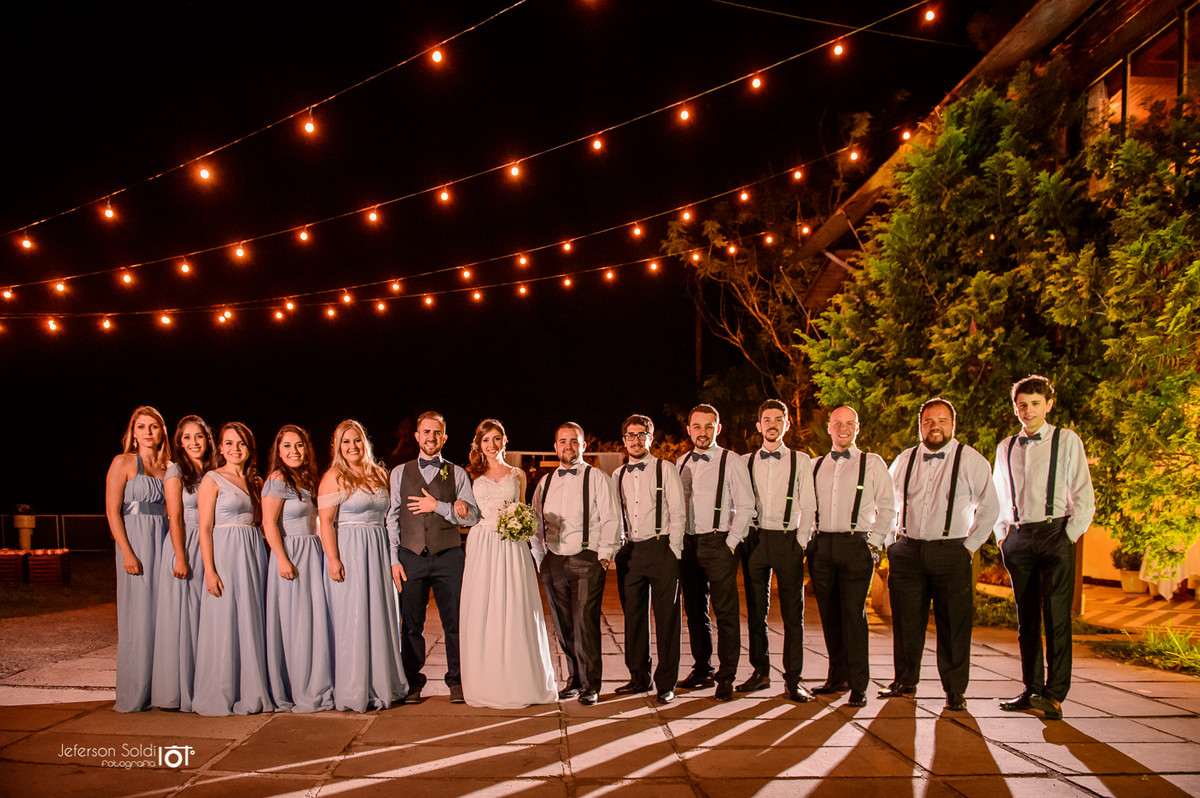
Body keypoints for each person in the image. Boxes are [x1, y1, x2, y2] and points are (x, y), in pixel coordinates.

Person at [882, 398, 999, 711]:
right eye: (929, 421)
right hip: (907, 551)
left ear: (953, 424)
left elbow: (990, 507)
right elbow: (885, 503)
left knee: (954, 623)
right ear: (920, 426)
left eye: (942, 421)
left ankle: (954, 690)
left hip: (952, 551)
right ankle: (904, 681)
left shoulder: (971, 460)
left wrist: (968, 547)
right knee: (906, 622)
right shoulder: (904, 459)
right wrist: (889, 541)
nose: (935, 427)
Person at [994, 375, 1095, 720]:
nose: (1028, 410)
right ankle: (1031, 688)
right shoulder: (1006, 446)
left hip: (1056, 534)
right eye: (1022, 404)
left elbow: (1083, 495)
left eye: (1035, 403)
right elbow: (998, 496)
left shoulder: (1066, 440)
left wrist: (1069, 536)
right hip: (1019, 536)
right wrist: (1002, 536)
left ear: (1048, 405)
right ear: (1015, 408)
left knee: (1056, 618)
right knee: (1026, 620)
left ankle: (1054, 694)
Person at [459, 419, 557, 708]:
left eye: (496, 438)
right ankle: (486, 680)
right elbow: (468, 513)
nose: (491, 444)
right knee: (484, 607)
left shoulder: (518, 474)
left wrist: (523, 527)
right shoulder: (470, 475)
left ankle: (519, 679)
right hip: (482, 544)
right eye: (485, 439)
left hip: (512, 545)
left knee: (516, 606)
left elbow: (526, 509)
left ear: (505, 441)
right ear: (479, 444)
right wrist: (459, 508)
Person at [385, 411, 480, 704]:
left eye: (437, 433)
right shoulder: (399, 472)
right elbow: (391, 518)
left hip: (448, 556)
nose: (431, 437)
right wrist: (393, 558)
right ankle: (412, 682)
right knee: (411, 624)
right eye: (426, 432)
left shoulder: (458, 473)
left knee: (454, 622)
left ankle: (457, 681)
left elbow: (473, 517)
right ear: (417, 436)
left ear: (445, 437)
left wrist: (439, 506)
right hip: (410, 556)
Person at [809, 406, 895, 708]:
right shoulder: (815, 465)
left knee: (854, 617)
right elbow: (806, 507)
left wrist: (873, 545)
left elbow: (888, 507)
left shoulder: (871, 464)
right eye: (837, 424)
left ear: (857, 428)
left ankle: (859, 685)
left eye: (849, 424)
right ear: (829, 428)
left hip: (856, 544)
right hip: (822, 547)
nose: (842, 428)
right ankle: (837, 678)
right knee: (830, 617)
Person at [318, 419, 407, 711]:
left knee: (380, 613)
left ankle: (383, 683)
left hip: (378, 550)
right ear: (338, 447)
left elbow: (390, 519)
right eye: (346, 442)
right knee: (353, 616)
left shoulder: (380, 474)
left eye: (357, 440)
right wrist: (333, 558)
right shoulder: (334, 477)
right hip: (351, 551)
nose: (352, 446)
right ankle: (355, 686)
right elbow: (326, 523)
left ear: (364, 443)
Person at [532, 422, 621, 705]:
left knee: (585, 623)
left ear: (583, 446)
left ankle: (591, 685)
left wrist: (604, 558)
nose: (567, 446)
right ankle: (574, 679)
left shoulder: (596, 477)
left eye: (574, 441)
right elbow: (534, 523)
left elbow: (610, 518)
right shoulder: (545, 483)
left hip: (587, 559)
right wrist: (539, 558)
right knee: (563, 625)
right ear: (555, 446)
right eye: (562, 441)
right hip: (553, 561)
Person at [193, 422, 274, 716]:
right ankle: (222, 691)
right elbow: (203, 528)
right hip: (225, 554)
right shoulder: (212, 479)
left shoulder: (257, 482)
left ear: (249, 448)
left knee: (251, 618)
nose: (234, 449)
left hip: (253, 554)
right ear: (221, 448)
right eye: (228, 443)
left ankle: (252, 689)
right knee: (224, 620)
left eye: (240, 443)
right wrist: (210, 570)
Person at [738, 400, 817, 702]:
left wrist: (801, 541)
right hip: (756, 540)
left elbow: (808, 504)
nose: (772, 424)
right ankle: (760, 672)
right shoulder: (744, 461)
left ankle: (793, 679)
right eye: (766, 419)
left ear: (786, 424)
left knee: (792, 614)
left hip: (788, 540)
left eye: (778, 419)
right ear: (758, 426)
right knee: (756, 612)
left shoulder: (800, 460)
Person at [676, 404, 755, 702]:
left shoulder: (731, 461)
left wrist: (731, 542)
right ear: (689, 429)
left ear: (717, 429)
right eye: (697, 426)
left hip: (718, 542)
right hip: (688, 543)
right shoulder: (681, 461)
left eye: (709, 426)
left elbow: (746, 506)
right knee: (695, 611)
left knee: (725, 613)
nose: (703, 431)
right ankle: (702, 669)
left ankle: (727, 676)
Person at [612, 414, 685, 705]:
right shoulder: (617, 476)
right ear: (624, 440)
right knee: (634, 618)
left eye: (641, 434)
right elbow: (616, 516)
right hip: (630, 552)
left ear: (650, 438)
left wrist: (675, 552)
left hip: (662, 547)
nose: (635, 440)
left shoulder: (665, 469)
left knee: (667, 619)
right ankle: (638, 678)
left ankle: (666, 683)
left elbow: (678, 513)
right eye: (630, 435)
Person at [263, 424, 334, 713]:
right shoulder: (277, 479)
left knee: (313, 620)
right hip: (291, 553)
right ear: (278, 452)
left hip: (313, 552)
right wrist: (281, 558)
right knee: (296, 622)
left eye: (299, 445)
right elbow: (269, 523)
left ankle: (315, 680)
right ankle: (296, 685)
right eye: (287, 446)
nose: (294, 451)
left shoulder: (306, 480)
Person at [104, 405, 171, 713]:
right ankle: (135, 692)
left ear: (162, 432)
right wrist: (127, 551)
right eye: (141, 426)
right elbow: (112, 511)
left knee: (165, 615)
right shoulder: (124, 462)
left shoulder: (170, 466)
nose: (147, 432)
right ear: (133, 432)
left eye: (153, 426)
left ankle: (163, 690)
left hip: (165, 542)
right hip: (137, 543)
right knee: (139, 615)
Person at [152, 414, 214, 712]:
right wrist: (179, 556)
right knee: (185, 618)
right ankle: (180, 690)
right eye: (187, 438)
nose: (193, 443)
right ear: (179, 442)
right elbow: (174, 517)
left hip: (211, 546)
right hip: (186, 545)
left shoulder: (215, 470)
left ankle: (207, 683)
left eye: (199, 437)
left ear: (207, 439)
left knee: (208, 617)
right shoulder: (177, 471)